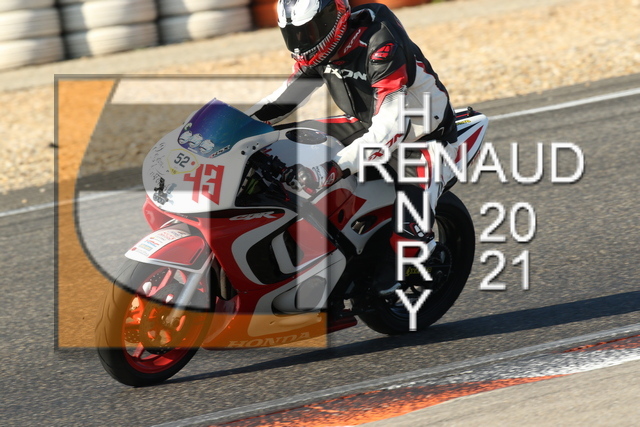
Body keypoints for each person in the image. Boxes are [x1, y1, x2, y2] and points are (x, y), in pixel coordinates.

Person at [246, 0, 461, 295]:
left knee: (409, 241)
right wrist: (238, 126)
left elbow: (393, 126)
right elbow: (285, 98)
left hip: (421, 136)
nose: (301, 43)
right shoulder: (320, 48)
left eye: (308, 32)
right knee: (275, 144)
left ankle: (423, 263)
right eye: (294, 35)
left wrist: (337, 166)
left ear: (334, 17)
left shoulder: (380, 44)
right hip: (366, 123)